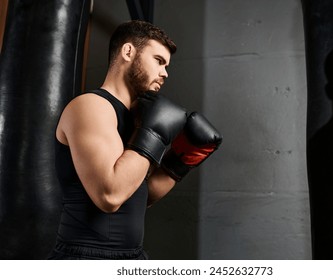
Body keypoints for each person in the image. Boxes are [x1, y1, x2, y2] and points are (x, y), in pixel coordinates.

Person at [48, 20, 222, 260]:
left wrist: (181, 160)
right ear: (128, 52)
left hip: (132, 257)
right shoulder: (91, 107)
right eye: (158, 61)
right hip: (88, 259)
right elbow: (110, 196)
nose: (165, 73)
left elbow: (140, 196)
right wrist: (155, 134)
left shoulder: (138, 119)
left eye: (167, 66)